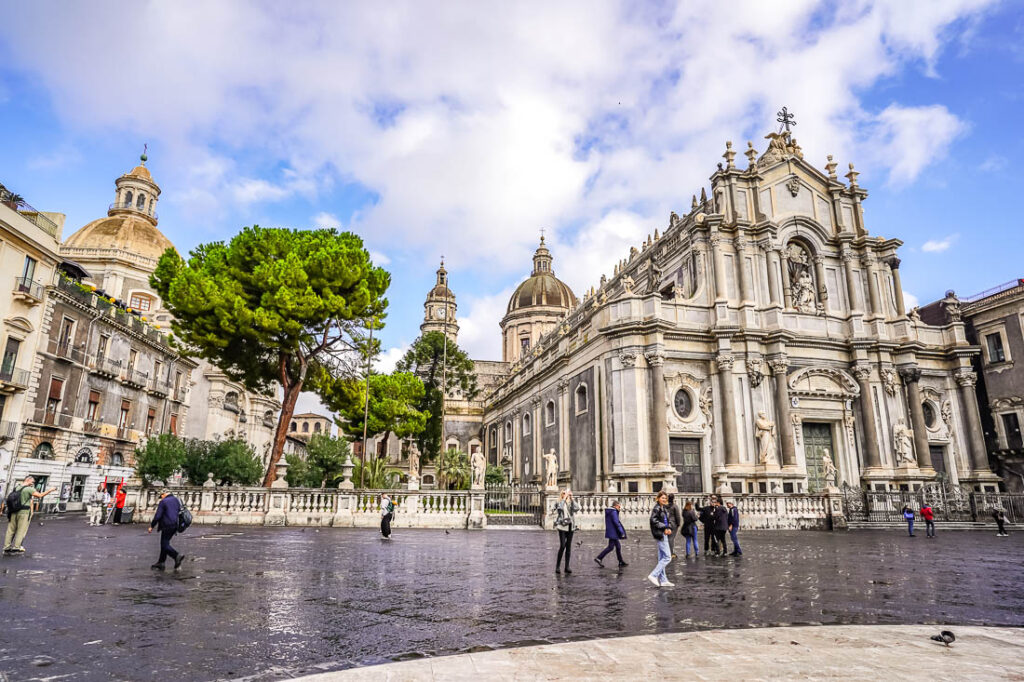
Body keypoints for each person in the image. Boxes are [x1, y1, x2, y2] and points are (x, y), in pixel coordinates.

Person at [3, 476, 57, 554]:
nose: (32, 484)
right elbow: (40, 495)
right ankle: (16, 547)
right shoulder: (29, 489)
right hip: (24, 512)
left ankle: (6, 547)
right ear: (28, 480)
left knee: (10, 530)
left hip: (13, 511)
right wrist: (50, 490)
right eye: (32, 482)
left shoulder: (17, 487)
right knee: (21, 530)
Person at [147, 490, 184, 571]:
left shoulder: (163, 502)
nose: (161, 498)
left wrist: (152, 526)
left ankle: (176, 555)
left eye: (161, 496)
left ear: (163, 494)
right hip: (175, 524)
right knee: (165, 543)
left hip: (166, 524)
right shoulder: (176, 500)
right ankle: (161, 562)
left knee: (164, 544)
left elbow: (158, 516)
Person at [647, 491, 673, 587]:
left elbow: (668, 521)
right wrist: (664, 528)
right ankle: (653, 575)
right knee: (667, 557)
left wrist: (668, 528)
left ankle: (663, 580)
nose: (664, 499)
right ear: (658, 498)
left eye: (665, 498)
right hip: (660, 534)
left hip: (663, 533)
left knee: (662, 558)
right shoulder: (657, 508)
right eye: (662, 498)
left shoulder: (664, 509)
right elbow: (653, 520)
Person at [594, 500, 627, 568]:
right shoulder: (614, 512)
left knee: (618, 546)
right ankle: (599, 558)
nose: (619, 508)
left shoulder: (611, 511)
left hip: (612, 531)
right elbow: (616, 522)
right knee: (611, 547)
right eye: (619, 506)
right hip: (613, 532)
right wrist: (621, 532)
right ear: (615, 506)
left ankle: (620, 561)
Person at [553, 488, 579, 573]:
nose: (566, 494)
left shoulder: (571, 503)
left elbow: (577, 508)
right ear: (561, 494)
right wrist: (564, 499)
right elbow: (559, 509)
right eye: (564, 493)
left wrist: (572, 498)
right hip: (562, 526)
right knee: (562, 545)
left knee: (568, 546)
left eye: (566, 493)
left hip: (570, 526)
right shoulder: (559, 502)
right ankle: (557, 566)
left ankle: (567, 567)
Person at [666, 493, 682, 559]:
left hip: (666, 523)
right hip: (673, 524)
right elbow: (678, 516)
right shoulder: (675, 506)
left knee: (667, 538)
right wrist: (678, 523)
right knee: (671, 538)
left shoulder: (665, 506)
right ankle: (671, 552)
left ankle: (667, 551)